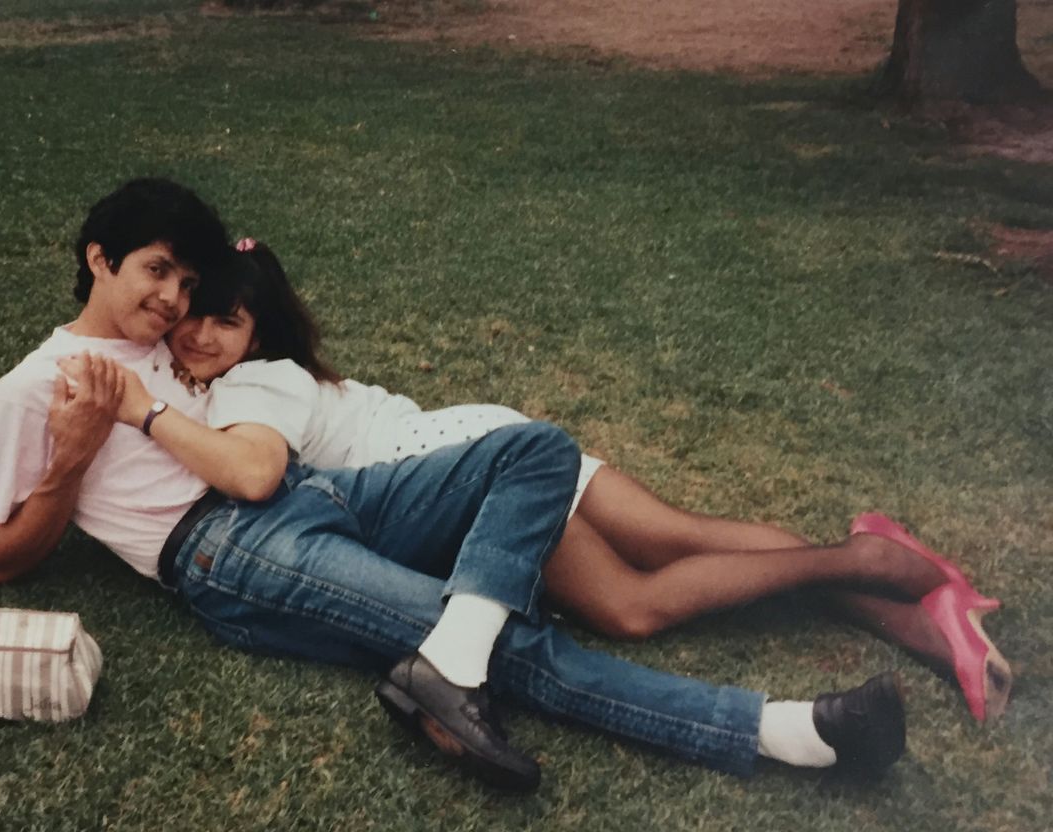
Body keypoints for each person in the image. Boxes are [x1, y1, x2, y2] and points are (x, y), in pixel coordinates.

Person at [0, 178, 910, 794]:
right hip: (229, 550)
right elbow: (1, 558)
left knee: (533, 447)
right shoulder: (32, 387)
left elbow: (263, 424)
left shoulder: (165, 346)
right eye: (155, 271)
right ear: (98, 259)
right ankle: (788, 732)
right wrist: (71, 459)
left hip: (316, 494)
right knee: (523, 646)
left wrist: (154, 398)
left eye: (185, 279)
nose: (174, 300)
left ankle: (447, 665)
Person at [153, 238, 1012, 724]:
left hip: (472, 477)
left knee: (634, 606)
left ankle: (864, 565)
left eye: (223, 324)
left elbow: (253, 472)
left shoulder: (256, 384)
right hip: (485, 438)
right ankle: (902, 592)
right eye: (192, 322)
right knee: (688, 535)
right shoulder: (281, 370)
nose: (198, 340)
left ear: (256, 329)